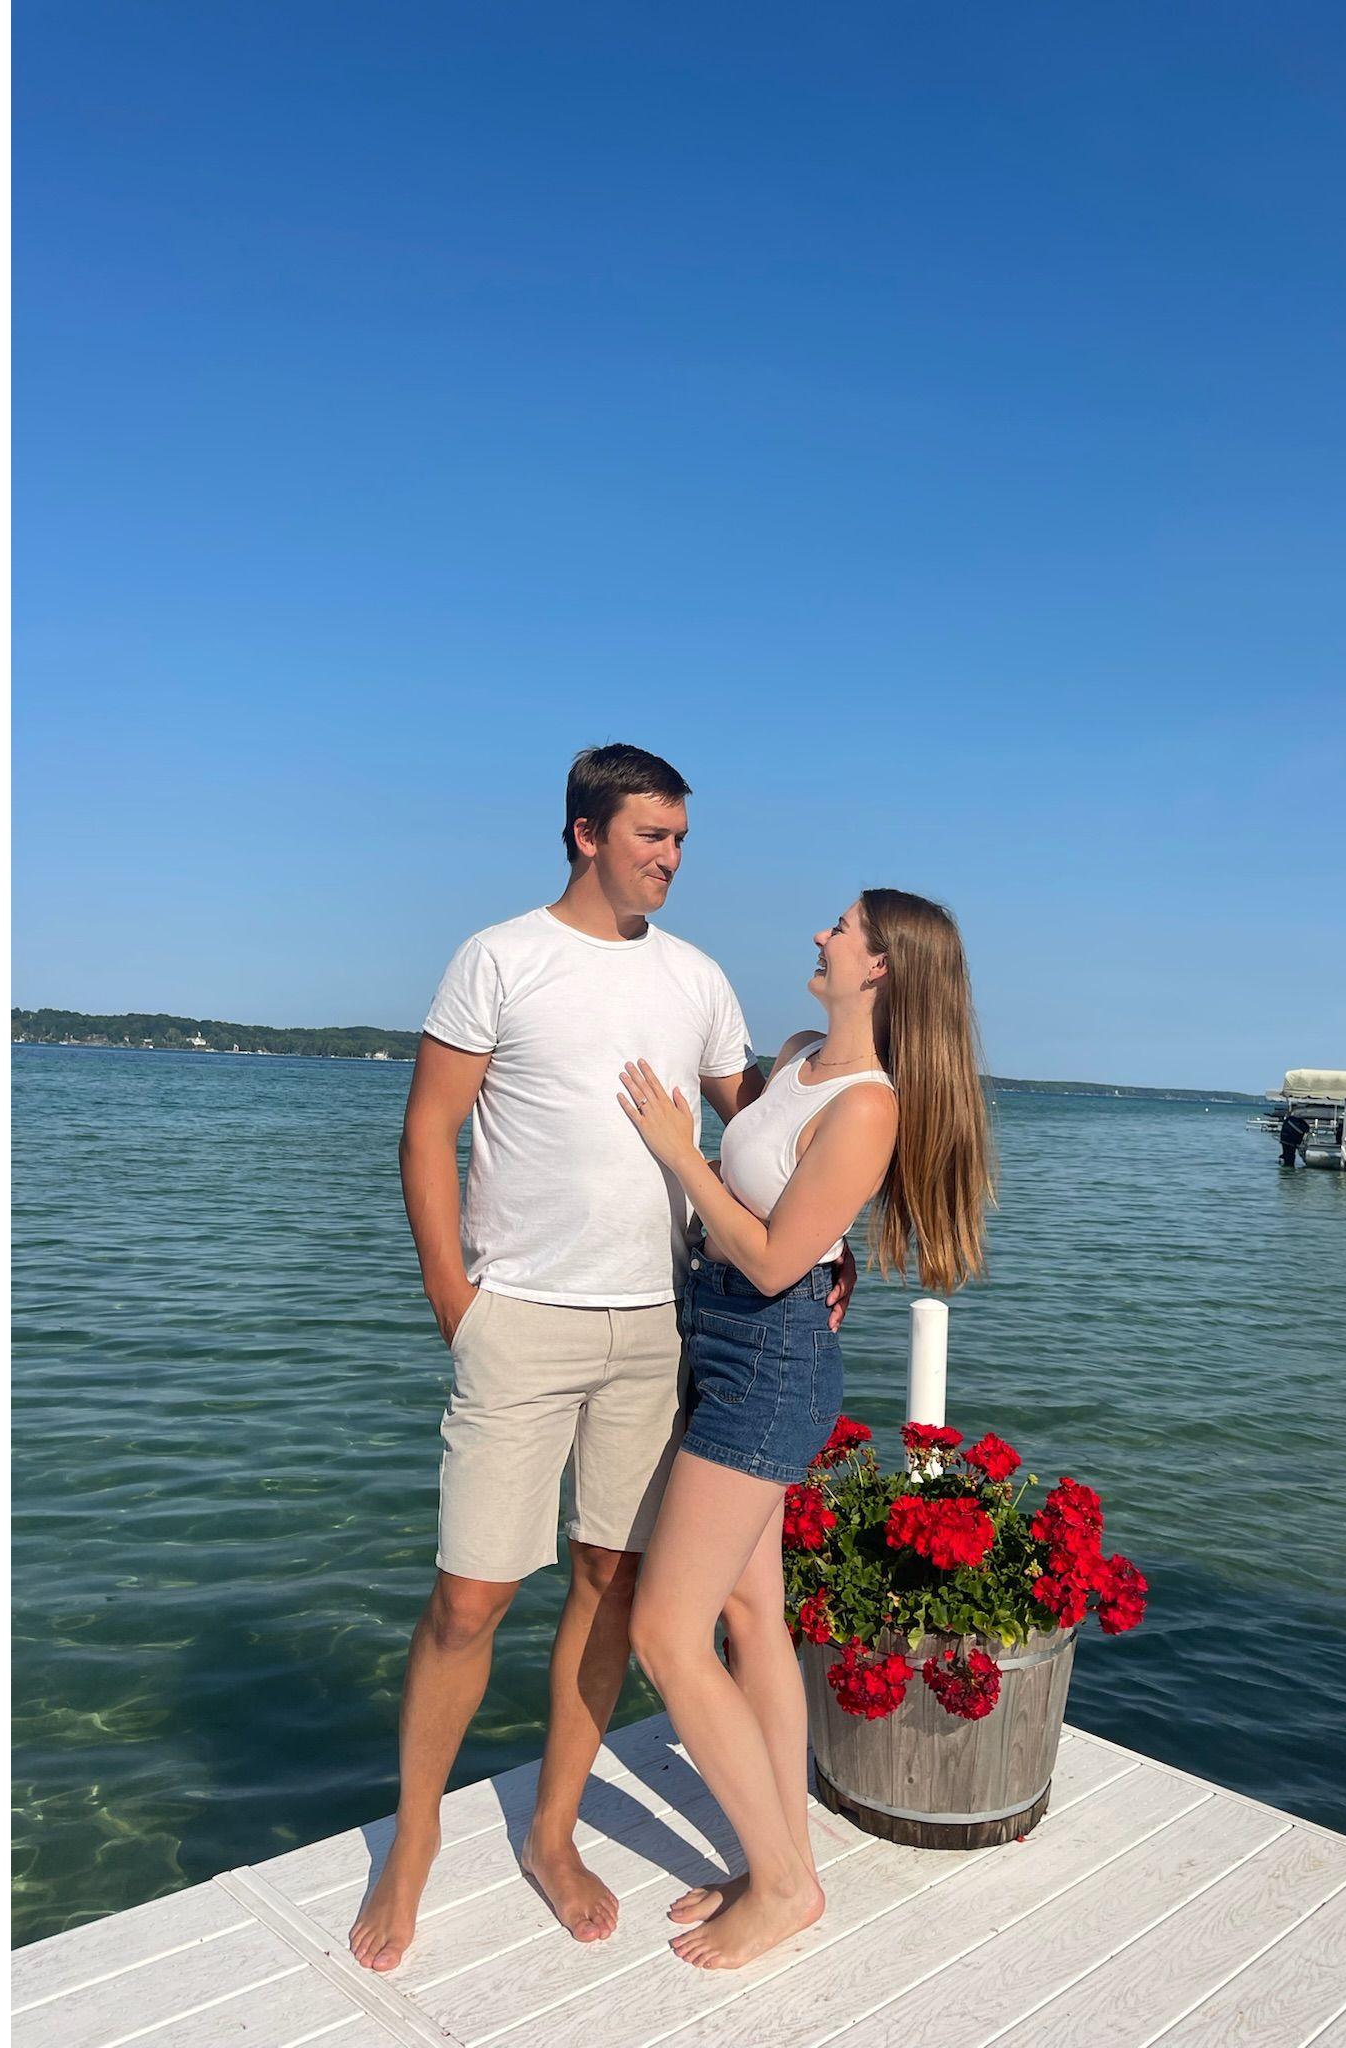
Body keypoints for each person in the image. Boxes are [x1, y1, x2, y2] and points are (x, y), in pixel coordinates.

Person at [348, 743, 856, 1974]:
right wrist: (454, 1299)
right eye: (650, 836)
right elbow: (427, 1128)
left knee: (610, 1583)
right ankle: (414, 1836)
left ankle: (552, 1830)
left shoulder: (697, 979)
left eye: (680, 839)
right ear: (585, 832)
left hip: (660, 1324)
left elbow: (766, 1129)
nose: (671, 858)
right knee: (470, 1595)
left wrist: (830, 1241)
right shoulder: (499, 956)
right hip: (518, 1318)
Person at [615, 888, 993, 1969]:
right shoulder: (796, 1058)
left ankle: (785, 1887)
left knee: (665, 1634)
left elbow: (780, 1259)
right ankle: (778, 1857)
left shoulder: (869, 1106)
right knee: (751, 1614)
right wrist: (831, 1249)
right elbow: (798, 1217)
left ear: (880, 967)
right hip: (725, 1332)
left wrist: (679, 1152)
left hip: (769, 1360)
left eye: (842, 926)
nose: (820, 934)